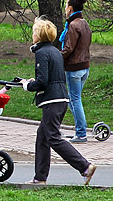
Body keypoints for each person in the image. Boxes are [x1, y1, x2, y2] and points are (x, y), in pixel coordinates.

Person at [21, 17, 97, 185]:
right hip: (61, 98)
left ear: (39, 35)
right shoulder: (55, 51)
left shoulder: (41, 52)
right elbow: (50, 76)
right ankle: (40, 177)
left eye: (34, 32)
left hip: (52, 101)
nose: (32, 35)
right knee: (42, 136)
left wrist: (27, 85)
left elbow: (42, 81)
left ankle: (84, 166)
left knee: (53, 137)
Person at [60, 0, 92, 143]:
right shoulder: (84, 23)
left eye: (66, 7)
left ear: (70, 9)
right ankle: (80, 129)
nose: (65, 10)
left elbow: (68, 49)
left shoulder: (73, 26)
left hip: (74, 68)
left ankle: (80, 133)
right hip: (85, 67)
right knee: (74, 100)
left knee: (74, 100)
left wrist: (56, 57)